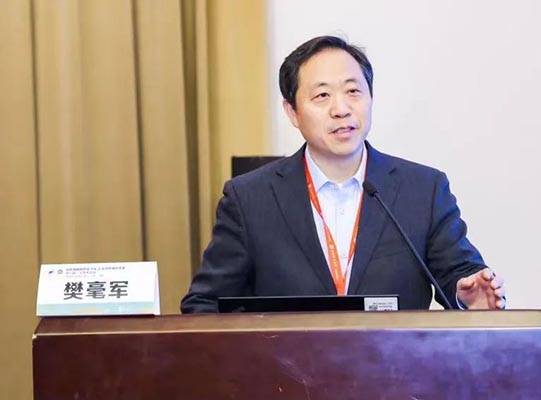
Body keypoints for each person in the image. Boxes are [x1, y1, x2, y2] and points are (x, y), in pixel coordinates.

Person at [181, 35, 505, 313]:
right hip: (286, 367)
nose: (341, 109)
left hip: (394, 366)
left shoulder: (423, 190)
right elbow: (205, 304)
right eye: (322, 95)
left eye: (353, 91)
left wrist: (468, 296)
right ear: (292, 111)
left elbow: (459, 274)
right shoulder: (250, 198)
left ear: (370, 97)